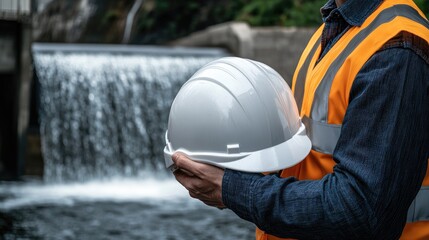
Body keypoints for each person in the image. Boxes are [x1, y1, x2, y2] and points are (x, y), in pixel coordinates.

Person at [172, 0, 429, 239]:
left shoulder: (398, 49)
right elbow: (306, 156)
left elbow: (361, 210)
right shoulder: (334, 30)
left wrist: (232, 188)